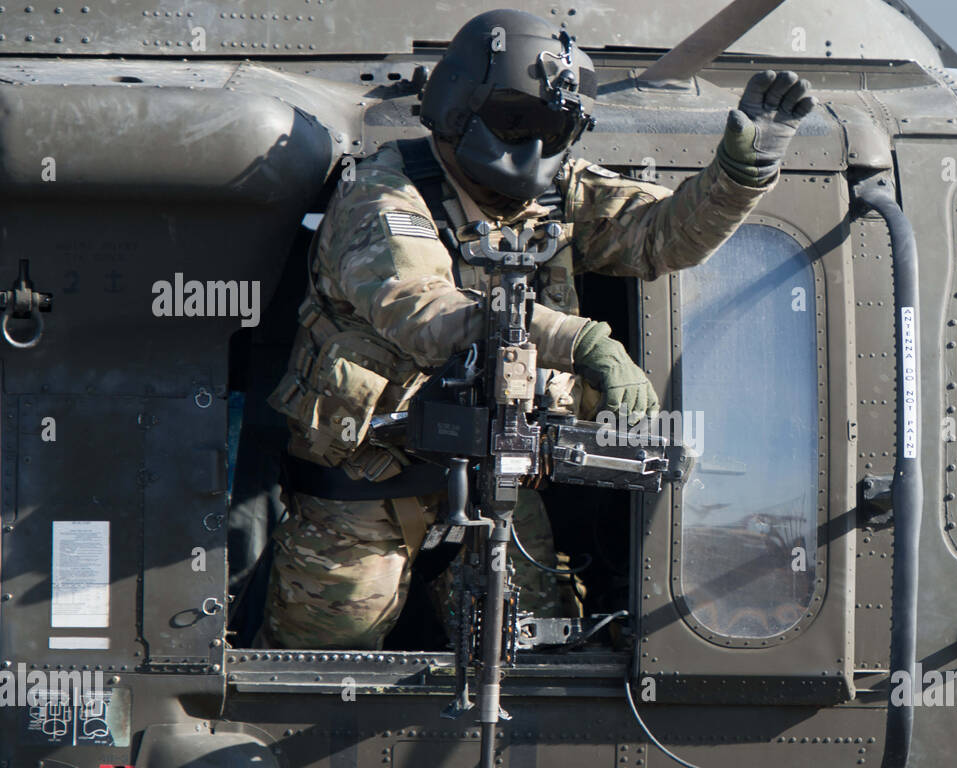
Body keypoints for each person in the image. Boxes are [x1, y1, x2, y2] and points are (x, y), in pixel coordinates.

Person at [256, 8, 818, 650]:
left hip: (502, 475)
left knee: (538, 649)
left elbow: (663, 235)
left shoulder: (556, 196)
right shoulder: (384, 197)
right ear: (460, 111)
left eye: (555, 129)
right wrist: (582, 341)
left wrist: (739, 174)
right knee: (326, 656)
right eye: (514, 121)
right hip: (367, 483)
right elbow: (427, 316)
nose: (532, 147)